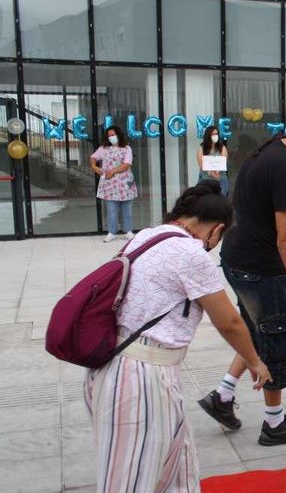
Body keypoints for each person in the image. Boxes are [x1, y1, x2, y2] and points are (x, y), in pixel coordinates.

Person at [86, 180, 272, 493]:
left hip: (124, 366)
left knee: (178, 471)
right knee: (131, 480)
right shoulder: (191, 252)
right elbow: (229, 321)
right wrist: (255, 361)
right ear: (217, 229)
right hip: (138, 378)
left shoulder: (148, 235)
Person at [197, 112, 286, 446]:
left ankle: (222, 395)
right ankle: (274, 424)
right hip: (259, 267)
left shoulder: (267, 150)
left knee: (255, 331)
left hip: (238, 259)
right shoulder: (285, 170)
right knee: (276, 340)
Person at [90, 125, 138, 243]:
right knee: (111, 209)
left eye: (113, 135)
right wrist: (94, 166)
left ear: (118, 135)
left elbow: (126, 164)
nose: (111, 137)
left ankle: (128, 231)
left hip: (125, 182)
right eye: (109, 136)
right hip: (110, 185)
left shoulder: (127, 148)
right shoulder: (103, 149)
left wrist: (113, 171)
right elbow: (93, 157)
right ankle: (112, 232)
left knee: (127, 208)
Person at [196, 125, 229, 196]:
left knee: (220, 200)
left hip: (220, 178)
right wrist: (210, 173)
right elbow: (201, 164)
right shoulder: (202, 148)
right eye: (213, 134)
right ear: (208, 136)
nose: (215, 136)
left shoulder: (222, 147)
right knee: (205, 200)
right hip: (205, 179)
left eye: (217, 134)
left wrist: (217, 172)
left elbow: (223, 161)